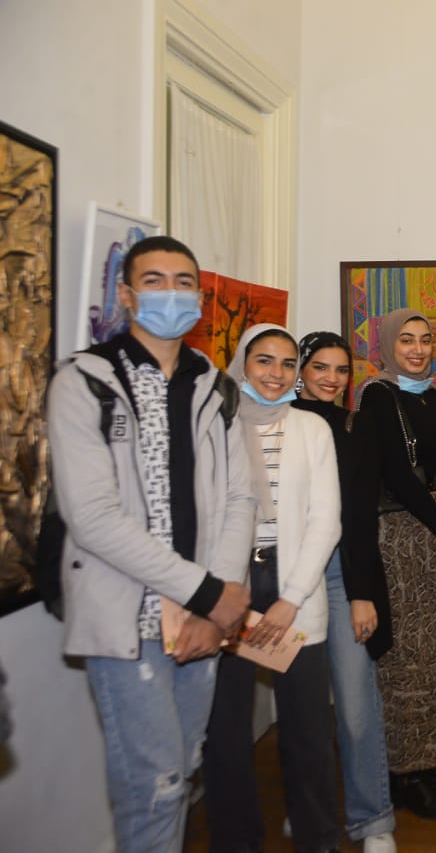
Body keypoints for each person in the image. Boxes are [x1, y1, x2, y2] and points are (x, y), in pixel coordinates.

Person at [46, 236, 255, 853]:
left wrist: (216, 605)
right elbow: (93, 518)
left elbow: (239, 498)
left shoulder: (215, 385)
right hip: (128, 615)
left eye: (184, 282)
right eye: (155, 280)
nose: (171, 293)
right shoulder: (85, 381)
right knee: (155, 785)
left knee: (183, 768)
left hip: (202, 619)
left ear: (200, 296)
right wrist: (211, 593)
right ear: (127, 294)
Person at [202, 324, 342, 853]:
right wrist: (222, 595)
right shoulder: (214, 426)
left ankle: (318, 839)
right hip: (229, 592)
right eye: (264, 360)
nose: (276, 373)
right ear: (242, 362)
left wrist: (290, 601)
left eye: (287, 363)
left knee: (307, 732)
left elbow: (325, 522)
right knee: (227, 734)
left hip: (293, 589)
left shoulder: (312, 428)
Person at [354, 308, 436, 819]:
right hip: (401, 536)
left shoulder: (435, 397)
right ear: (387, 345)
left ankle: (424, 756)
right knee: (405, 656)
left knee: (434, 648)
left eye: (425, 340)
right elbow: (397, 475)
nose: (418, 349)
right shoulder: (377, 396)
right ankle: (403, 771)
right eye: (407, 340)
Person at [293, 331, 397, 853]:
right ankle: (307, 811)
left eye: (340, 370)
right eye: (321, 368)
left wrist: (361, 593)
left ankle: (373, 819)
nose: (332, 379)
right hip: (284, 579)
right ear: (301, 370)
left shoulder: (357, 427)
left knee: (356, 705)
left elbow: (359, 518)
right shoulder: (275, 421)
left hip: (341, 573)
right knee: (302, 710)